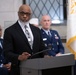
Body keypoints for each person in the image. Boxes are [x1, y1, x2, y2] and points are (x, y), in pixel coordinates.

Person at [3, 4, 46, 75]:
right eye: (22, 13)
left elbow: (42, 47)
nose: (25, 15)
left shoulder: (36, 30)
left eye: (27, 14)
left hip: (37, 68)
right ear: (18, 13)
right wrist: (19, 57)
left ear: (30, 15)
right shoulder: (10, 31)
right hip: (19, 69)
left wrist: (46, 55)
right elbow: (6, 53)